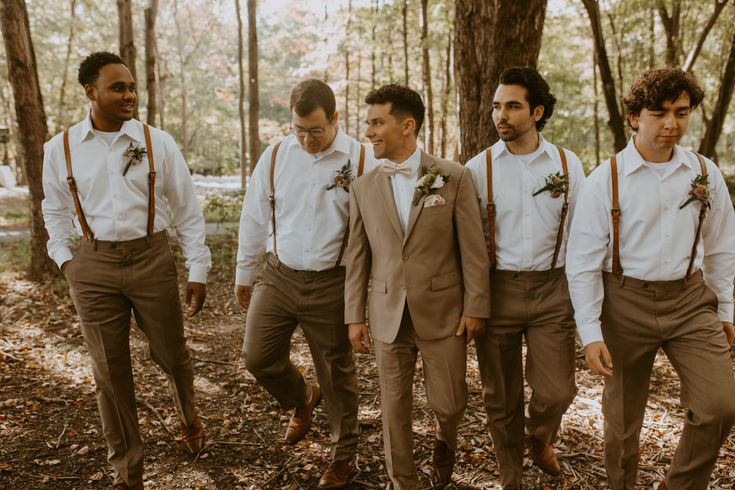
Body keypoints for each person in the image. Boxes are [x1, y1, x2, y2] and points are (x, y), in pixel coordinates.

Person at [41, 51, 211, 490]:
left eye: (132, 87)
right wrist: (67, 261)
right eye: (118, 87)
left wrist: (198, 266)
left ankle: (189, 416)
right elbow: (54, 211)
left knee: (171, 354)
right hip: (92, 265)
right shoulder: (59, 149)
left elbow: (186, 209)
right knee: (109, 373)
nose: (129, 95)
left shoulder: (158, 142)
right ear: (91, 92)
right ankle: (128, 471)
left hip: (151, 257)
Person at [566, 67, 735, 490]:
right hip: (624, 302)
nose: (671, 124)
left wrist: (728, 308)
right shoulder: (604, 180)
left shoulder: (704, 173)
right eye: (659, 113)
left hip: (691, 299)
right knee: (622, 423)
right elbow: (583, 261)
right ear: (635, 117)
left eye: (681, 112)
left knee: (721, 405)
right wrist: (590, 332)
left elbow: (721, 246)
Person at [344, 84, 490, 489]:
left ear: (407, 125)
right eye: (368, 122)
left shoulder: (452, 177)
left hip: (445, 312)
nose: (369, 132)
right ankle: (402, 481)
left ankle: (446, 438)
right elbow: (357, 255)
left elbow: (473, 250)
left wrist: (476, 305)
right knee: (394, 408)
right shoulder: (362, 187)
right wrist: (353, 314)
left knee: (451, 403)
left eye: (377, 122)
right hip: (388, 312)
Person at [235, 79, 375, 489]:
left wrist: (362, 293)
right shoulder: (277, 154)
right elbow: (254, 215)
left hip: (333, 280)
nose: (307, 139)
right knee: (257, 358)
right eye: (299, 129)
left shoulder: (363, 161)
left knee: (337, 374)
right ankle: (301, 398)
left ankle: (342, 456)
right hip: (278, 275)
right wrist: (245, 273)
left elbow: (372, 233)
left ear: (334, 119)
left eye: (315, 130)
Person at [465, 67, 584, 489]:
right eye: (497, 106)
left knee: (557, 391)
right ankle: (510, 476)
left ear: (536, 112)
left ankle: (538, 434)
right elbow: (467, 242)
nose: (501, 115)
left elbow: (581, 234)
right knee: (501, 397)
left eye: (512, 106)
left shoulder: (569, 165)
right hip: (497, 290)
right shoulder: (477, 169)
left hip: (554, 289)